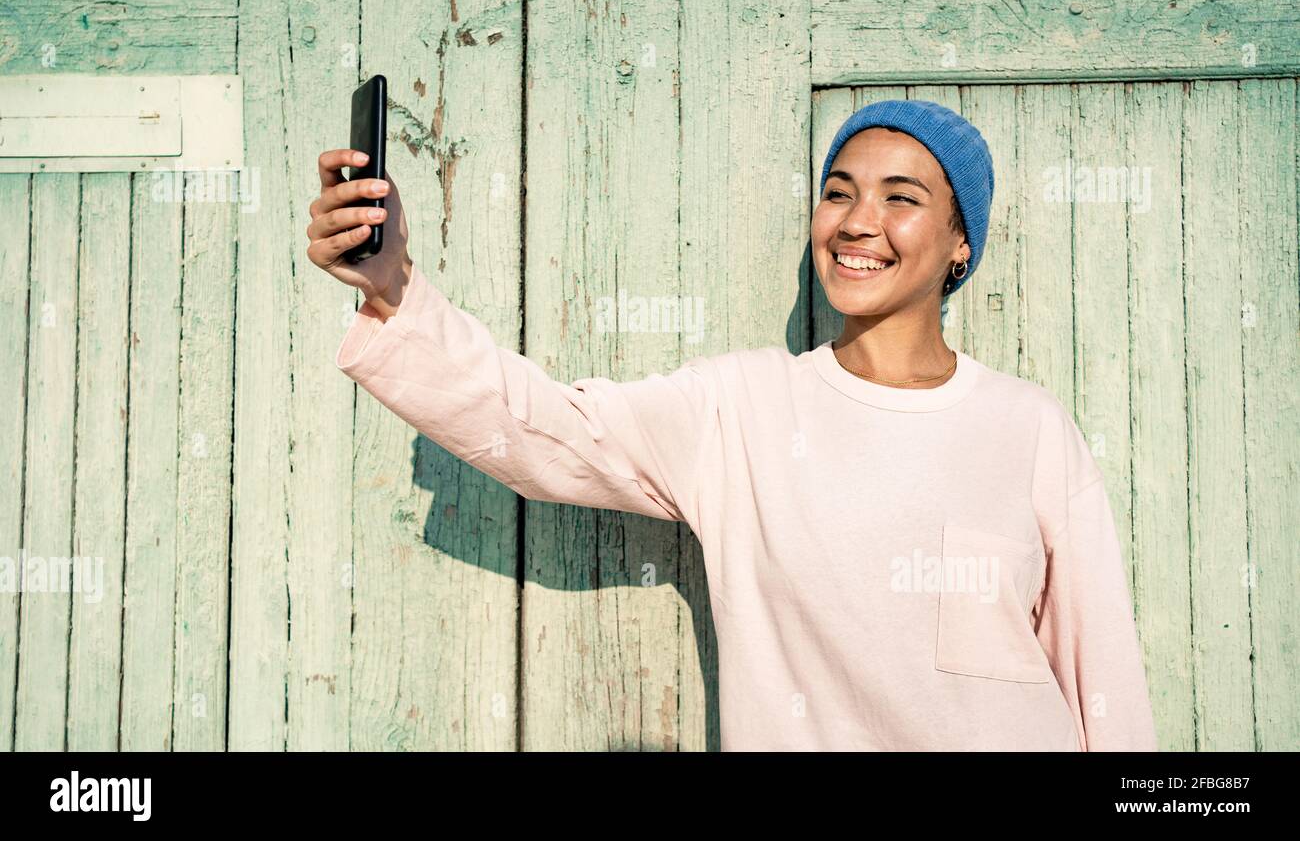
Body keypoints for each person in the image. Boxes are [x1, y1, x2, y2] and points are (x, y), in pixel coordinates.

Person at [305, 99, 1159, 751]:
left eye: (902, 199)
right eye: (839, 193)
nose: (858, 222)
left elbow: (1102, 683)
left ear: (961, 242)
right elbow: (541, 428)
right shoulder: (739, 410)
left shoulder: (1030, 429)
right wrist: (395, 287)